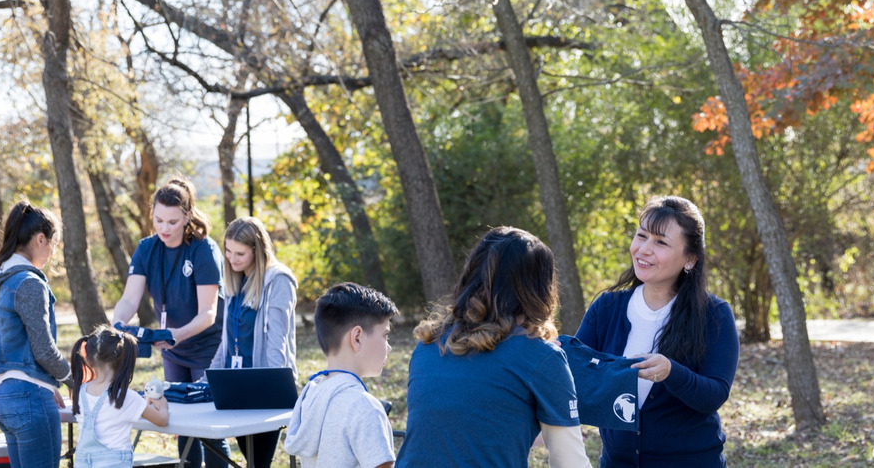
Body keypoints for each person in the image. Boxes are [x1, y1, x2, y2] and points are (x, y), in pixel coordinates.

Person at [395, 227, 590, 468]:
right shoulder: (541, 357)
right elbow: (570, 462)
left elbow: (469, 435)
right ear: (540, 289)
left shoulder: (426, 346)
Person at [575, 196, 739, 467]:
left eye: (661, 242)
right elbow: (576, 373)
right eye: (641, 236)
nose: (644, 249)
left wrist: (671, 372)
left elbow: (714, 394)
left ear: (690, 259)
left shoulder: (714, 314)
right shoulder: (607, 308)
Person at [111, 178, 225, 468]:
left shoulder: (203, 250)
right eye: (158, 220)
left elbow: (208, 313)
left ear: (187, 216)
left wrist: (177, 335)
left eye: (173, 222)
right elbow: (129, 299)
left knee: (209, 425)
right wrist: (118, 323)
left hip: (205, 347)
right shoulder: (147, 248)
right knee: (179, 420)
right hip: (172, 347)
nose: (164, 228)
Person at [0, 201, 71, 468]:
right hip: (28, 399)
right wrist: (72, 379)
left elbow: (11, 343)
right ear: (40, 239)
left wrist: (46, 382)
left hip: (1, 396)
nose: (52, 253)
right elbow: (44, 350)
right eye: (53, 245)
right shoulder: (30, 283)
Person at [207, 217, 297, 467]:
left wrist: (276, 390)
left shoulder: (278, 281)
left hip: (265, 387)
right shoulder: (234, 280)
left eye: (239, 253)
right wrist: (208, 378)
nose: (231, 258)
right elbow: (226, 342)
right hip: (234, 387)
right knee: (252, 460)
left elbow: (277, 342)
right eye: (227, 250)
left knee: (258, 463)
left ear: (257, 250)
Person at [284, 282, 399, 468]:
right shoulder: (366, 408)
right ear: (357, 338)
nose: (389, 347)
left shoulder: (311, 394)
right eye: (385, 336)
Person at [69, 326, 170, 468]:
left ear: (88, 360)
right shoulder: (126, 397)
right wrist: (162, 404)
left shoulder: (79, 392)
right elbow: (161, 420)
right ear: (122, 360)